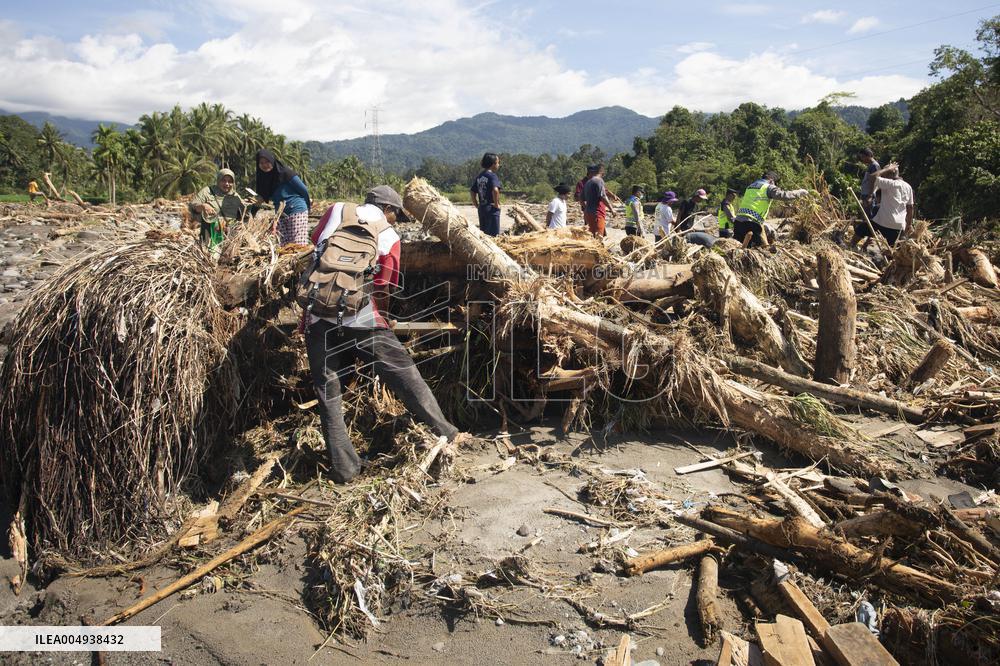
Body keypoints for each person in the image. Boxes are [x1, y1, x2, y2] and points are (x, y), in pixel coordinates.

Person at [304, 185, 468, 483]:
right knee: (405, 375)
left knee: (328, 392)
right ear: (388, 209)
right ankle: (446, 433)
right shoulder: (389, 235)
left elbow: (316, 245)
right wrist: (383, 319)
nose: (395, 221)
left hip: (318, 313)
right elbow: (383, 286)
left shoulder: (337, 209)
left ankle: (344, 469)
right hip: (360, 315)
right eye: (396, 215)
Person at [733, 171, 809, 248]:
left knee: (739, 249)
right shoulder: (768, 187)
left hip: (738, 221)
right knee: (756, 250)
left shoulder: (750, 186)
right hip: (751, 223)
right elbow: (783, 195)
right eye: (775, 183)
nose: (775, 185)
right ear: (771, 180)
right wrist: (799, 192)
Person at [256, 148, 311, 246]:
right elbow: (262, 197)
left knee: (297, 246)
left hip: (297, 211)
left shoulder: (286, 173)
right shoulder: (263, 179)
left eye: (267, 161)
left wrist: (308, 209)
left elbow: (304, 190)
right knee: (284, 247)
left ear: (272, 160)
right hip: (280, 215)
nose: (264, 165)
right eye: (261, 163)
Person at [189, 168, 246, 254]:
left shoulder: (235, 195)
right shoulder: (208, 191)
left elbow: (244, 213)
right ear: (218, 180)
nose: (227, 184)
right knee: (210, 256)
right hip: (210, 234)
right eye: (223, 180)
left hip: (229, 236)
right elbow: (192, 205)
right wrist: (203, 206)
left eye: (230, 181)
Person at [857, 162, 914, 247]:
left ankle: (851, 246)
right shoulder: (908, 187)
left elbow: (872, 177)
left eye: (885, 174)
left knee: (860, 230)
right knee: (891, 252)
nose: (883, 177)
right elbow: (910, 208)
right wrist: (907, 226)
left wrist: (887, 169)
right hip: (898, 226)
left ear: (889, 174)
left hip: (883, 222)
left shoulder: (889, 183)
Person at [471, 152, 502, 236]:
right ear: (493, 164)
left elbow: (472, 192)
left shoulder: (479, 176)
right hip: (491, 208)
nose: (499, 165)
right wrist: (496, 204)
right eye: (498, 162)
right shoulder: (492, 176)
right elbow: (495, 190)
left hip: (482, 208)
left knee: (484, 234)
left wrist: (477, 205)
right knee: (493, 235)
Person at [582, 163, 615, 237]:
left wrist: (587, 208)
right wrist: (612, 209)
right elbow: (603, 196)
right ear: (602, 172)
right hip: (597, 214)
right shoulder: (599, 181)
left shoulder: (587, 182)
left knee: (592, 237)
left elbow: (581, 199)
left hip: (588, 214)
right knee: (598, 238)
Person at [858, 148, 881, 221]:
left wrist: (870, 195)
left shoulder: (874, 165)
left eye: (863, 157)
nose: (862, 159)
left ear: (869, 155)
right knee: (865, 214)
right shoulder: (871, 165)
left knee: (869, 215)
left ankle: (869, 231)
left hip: (869, 194)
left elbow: (875, 181)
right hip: (866, 193)